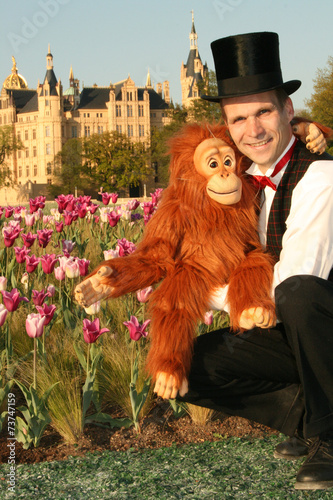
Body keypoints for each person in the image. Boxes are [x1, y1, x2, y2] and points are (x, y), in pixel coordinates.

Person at [175, 32, 333, 491]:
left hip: (321, 318)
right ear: (225, 126)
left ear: (288, 110)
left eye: (264, 111)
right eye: (239, 118)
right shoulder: (229, 177)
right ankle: (310, 414)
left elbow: (294, 284)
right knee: (186, 367)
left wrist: (204, 288)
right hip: (292, 332)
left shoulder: (320, 174)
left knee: (297, 292)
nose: (254, 129)